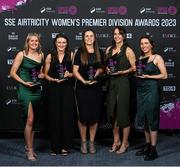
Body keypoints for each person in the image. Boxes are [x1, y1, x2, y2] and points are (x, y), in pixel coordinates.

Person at [10, 32, 44, 161]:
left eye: (36, 41)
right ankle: (29, 150)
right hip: (25, 89)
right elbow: (12, 73)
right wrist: (25, 83)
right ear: (27, 42)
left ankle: (30, 147)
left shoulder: (41, 55)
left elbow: (40, 73)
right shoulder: (21, 54)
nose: (34, 43)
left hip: (36, 89)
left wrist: (41, 75)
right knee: (29, 119)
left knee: (33, 121)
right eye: (32, 41)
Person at [135, 35, 167, 161]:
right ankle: (147, 146)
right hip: (141, 91)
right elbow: (140, 74)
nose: (144, 46)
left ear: (151, 45)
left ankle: (153, 150)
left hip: (152, 90)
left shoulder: (157, 57)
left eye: (146, 43)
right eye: (142, 43)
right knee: (144, 119)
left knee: (152, 119)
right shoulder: (141, 58)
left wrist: (149, 77)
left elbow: (164, 75)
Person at [105, 27, 136, 154]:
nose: (117, 36)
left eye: (120, 34)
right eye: (115, 34)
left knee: (123, 113)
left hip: (123, 82)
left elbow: (135, 68)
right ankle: (116, 141)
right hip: (112, 83)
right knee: (113, 113)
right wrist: (107, 69)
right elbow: (106, 66)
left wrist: (124, 71)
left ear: (124, 36)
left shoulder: (128, 50)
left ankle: (125, 143)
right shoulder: (109, 50)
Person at [73, 29, 104, 154]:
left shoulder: (99, 52)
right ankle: (83, 142)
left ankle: (91, 142)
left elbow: (103, 68)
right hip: (82, 88)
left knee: (94, 116)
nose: (89, 38)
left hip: (96, 88)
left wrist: (98, 72)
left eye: (91, 36)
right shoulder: (79, 52)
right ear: (83, 38)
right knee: (83, 117)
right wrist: (83, 81)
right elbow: (75, 71)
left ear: (95, 38)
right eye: (87, 36)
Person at [44, 33, 75, 156]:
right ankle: (54, 147)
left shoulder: (71, 55)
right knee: (55, 116)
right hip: (54, 89)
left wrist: (70, 74)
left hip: (67, 89)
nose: (61, 44)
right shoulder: (50, 56)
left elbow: (75, 72)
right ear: (55, 43)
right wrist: (52, 79)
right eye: (59, 42)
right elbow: (45, 74)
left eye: (64, 42)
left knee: (66, 117)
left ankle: (65, 146)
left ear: (66, 44)